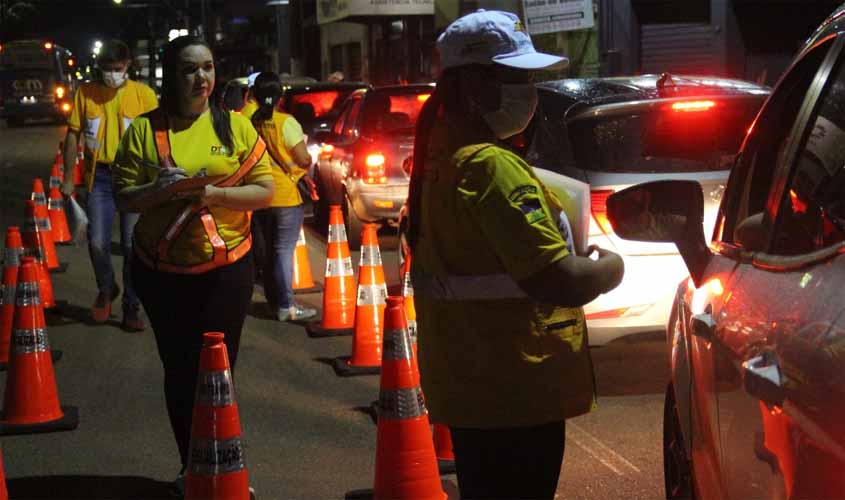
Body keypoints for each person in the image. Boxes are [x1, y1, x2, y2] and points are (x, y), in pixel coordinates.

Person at [406, 10, 625, 499]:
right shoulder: (490, 168)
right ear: (471, 85)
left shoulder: (441, 158)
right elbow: (560, 280)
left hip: (473, 384)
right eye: (518, 77)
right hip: (515, 389)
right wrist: (610, 266)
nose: (529, 90)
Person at [111, 36, 274, 493]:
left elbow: (266, 190)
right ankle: (193, 467)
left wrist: (216, 194)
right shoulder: (144, 130)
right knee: (180, 372)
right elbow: (124, 199)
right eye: (189, 69)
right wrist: (161, 189)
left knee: (220, 373)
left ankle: (227, 468)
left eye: (207, 68)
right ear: (170, 76)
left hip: (227, 271)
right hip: (161, 274)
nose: (201, 78)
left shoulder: (235, 127)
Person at [60, 39, 158, 331]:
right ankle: (106, 287)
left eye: (117, 68)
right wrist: (67, 178)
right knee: (97, 242)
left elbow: (159, 138)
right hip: (99, 178)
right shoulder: (86, 93)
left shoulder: (144, 95)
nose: (111, 74)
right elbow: (72, 135)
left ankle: (131, 306)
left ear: (127, 65)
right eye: (106, 69)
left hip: (134, 179)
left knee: (131, 247)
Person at [249, 72, 317, 321]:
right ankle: (287, 306)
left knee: (267, 252)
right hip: (285, 197)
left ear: (255, 96)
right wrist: (307, 160)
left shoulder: (249, 122)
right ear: (279, 97)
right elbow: (302, 159)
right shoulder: (286, 122)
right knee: (283, 251)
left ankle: (274, 301)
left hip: (258, 194)